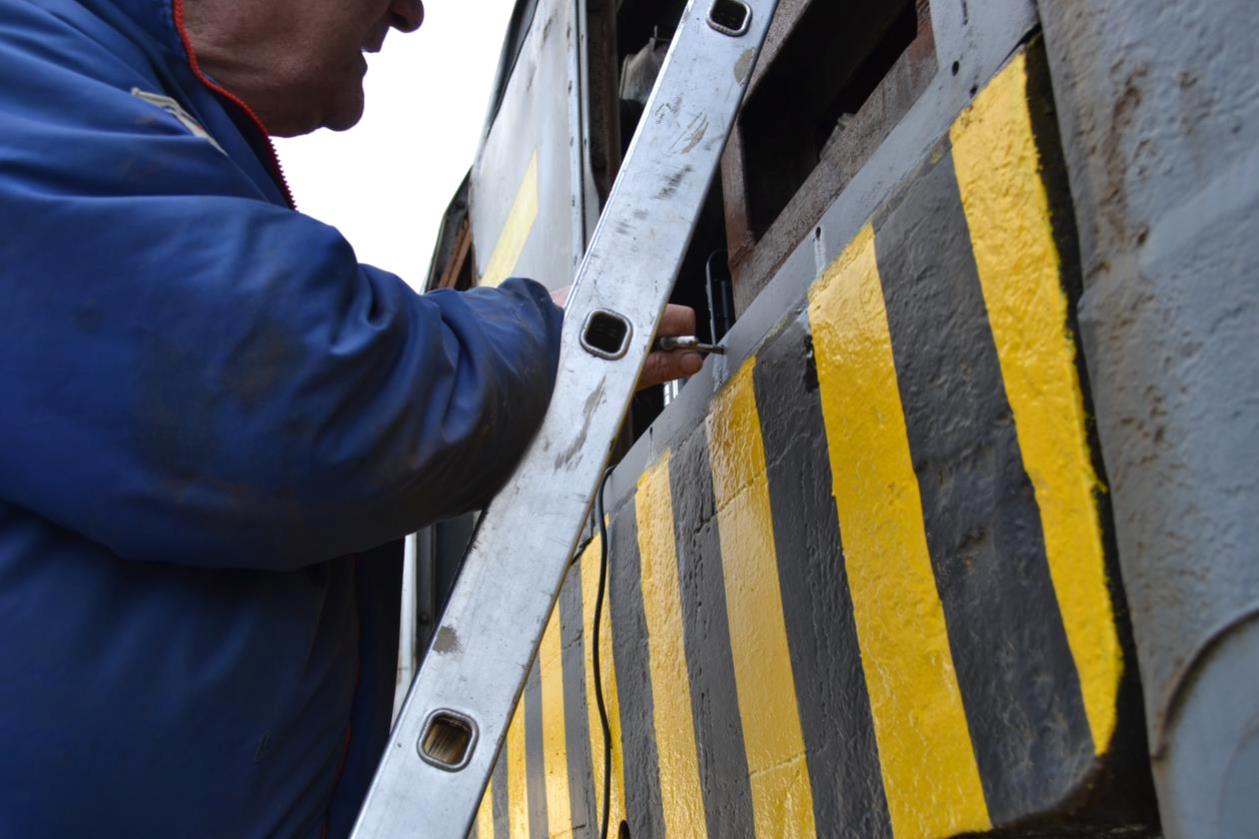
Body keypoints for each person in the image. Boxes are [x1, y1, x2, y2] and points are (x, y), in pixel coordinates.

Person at [0, 0, 702, 835]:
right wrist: (560, 338)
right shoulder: (24, 67)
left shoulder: (127, 104)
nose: (409, 12)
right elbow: (288, 391)